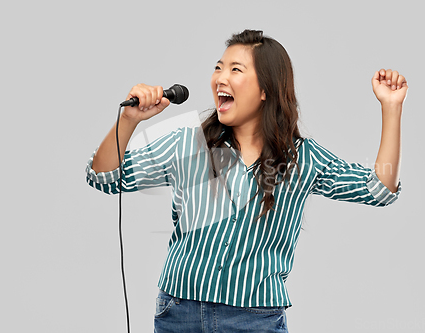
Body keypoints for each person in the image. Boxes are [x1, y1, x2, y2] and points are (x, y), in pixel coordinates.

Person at [86, 29, 407, 333]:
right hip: (179, 314)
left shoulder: (302, 158)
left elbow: (378, 188)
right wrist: (129, 121)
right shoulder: (188, 141)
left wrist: (391, 109)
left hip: (254, 320)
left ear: (265, 89)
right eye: (218, 67)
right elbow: (104, 177)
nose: (220, 78)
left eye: (235, 70)